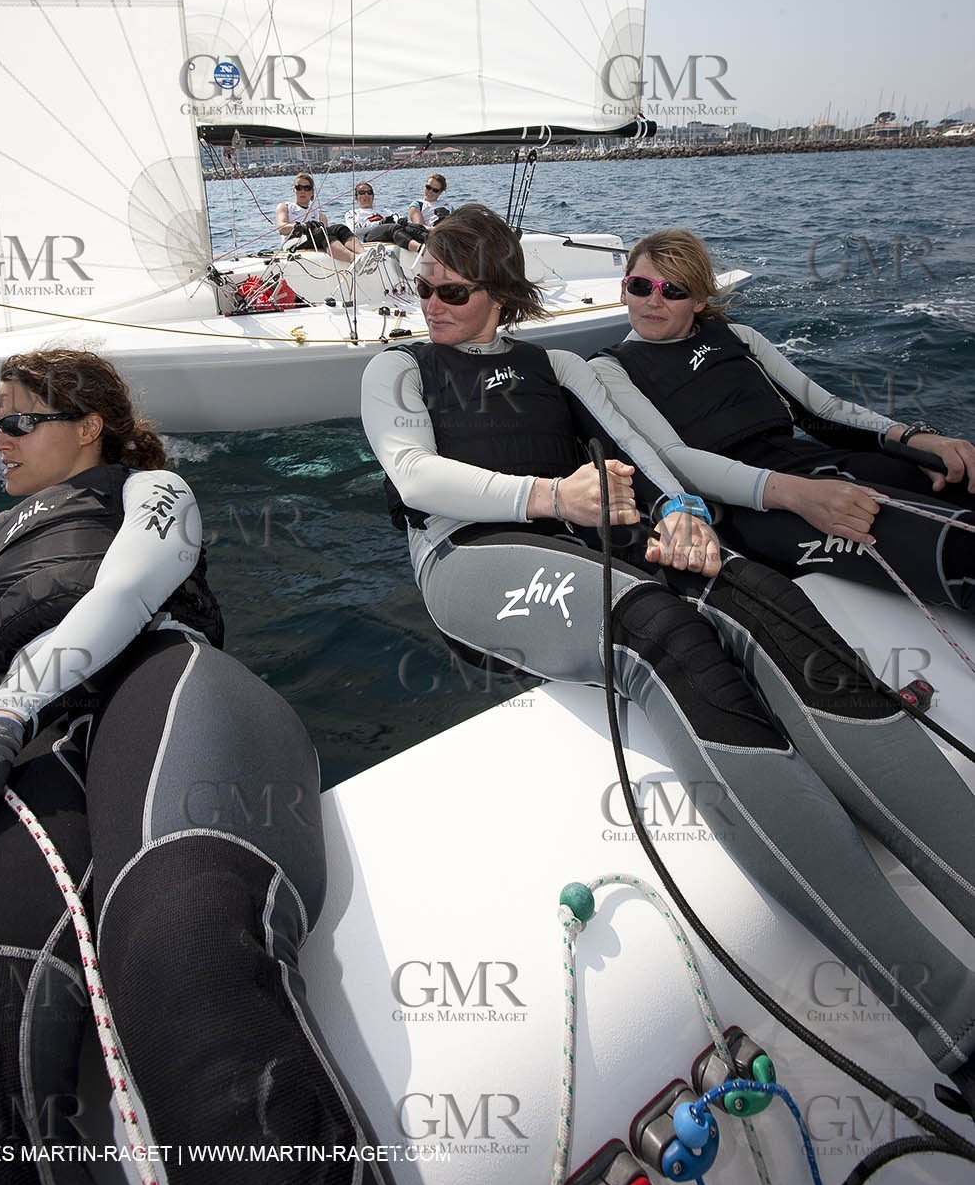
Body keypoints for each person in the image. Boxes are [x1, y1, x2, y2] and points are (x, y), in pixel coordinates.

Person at [361, 205, 975, 1111]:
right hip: (472, 559)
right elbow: (414, 476)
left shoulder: (559, 364)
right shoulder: (398, 368)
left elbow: (646, 450)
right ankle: (953, 1021)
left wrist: (682, 509)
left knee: (766, 601)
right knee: (661, 633)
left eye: (451, 290)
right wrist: (551, 494)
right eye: (422, 289)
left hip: (588, 532)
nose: (430, 304)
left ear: (500, 293)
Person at [0, 349, 395, 1185]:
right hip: (32, 737)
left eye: (18, 420)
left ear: (88, 425)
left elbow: (127, 593)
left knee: (179, 945)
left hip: (157, 682)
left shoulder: (151, 491)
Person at [590, 227, 975, 610]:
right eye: (641, 286)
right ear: (624, 290)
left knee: (958, 484)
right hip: (750, 508)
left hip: (811, 466)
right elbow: (671, 458)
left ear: (699, 300)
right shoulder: (612, 368)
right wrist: (798, 495)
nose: (654, 301)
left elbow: (821, 409)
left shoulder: (738, 337)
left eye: (673, 290)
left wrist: (911, 439)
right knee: (959, 551)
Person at [276, 172, 363, 263]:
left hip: (315, 242)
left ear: (312, 192)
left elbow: (327, 236)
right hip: (293, 243)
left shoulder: (320, 215)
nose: (302, 191)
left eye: (307, 188)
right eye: (299, 187)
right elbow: (281, 228)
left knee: (340, 228)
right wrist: (302, 226)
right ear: (294, 190)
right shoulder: (285, 207)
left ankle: (363, 254)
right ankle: (354, 259)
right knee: (321, 233)